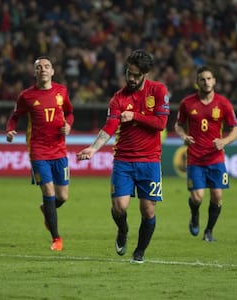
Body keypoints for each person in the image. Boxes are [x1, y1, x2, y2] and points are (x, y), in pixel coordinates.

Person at [77, 49, 170, 263]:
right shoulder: (118, 98)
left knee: (148, 210)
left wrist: (135, 116)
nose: (132, 78)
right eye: (129, 73)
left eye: (137, 75)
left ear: (145, 74)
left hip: (150, 161)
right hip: (123, 160)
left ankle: (139, 252)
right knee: (119, 207)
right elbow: (109, 127)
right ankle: (122, 230)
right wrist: (93, 148)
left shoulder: (158, 91)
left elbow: (161, 123)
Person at [6, 56, 74, 251]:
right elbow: (15, 116)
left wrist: (68, 125)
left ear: (52, 71)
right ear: (35, 72)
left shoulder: (62, 91)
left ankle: (46, 209)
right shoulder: (26, 96)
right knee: (49, 191)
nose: (43, 69)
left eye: (46, 66)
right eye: (39, 67)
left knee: (62, 196)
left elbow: (69, 112)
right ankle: (57, 239)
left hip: (59, 151)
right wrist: (10, 129)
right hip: (38, 151)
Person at [174, 65, 237, 242]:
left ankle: (209, 231)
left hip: (216, 158)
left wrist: (224, 141)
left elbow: (235, 130)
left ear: (214, 81)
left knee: (217, 196)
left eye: (209, 78)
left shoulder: (223, 103)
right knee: (197, 197)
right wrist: (183, 136)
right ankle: (194, 214)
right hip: (195, 157)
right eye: (202, 79)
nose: (206, 82)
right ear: (197, 82)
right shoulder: (187, 103)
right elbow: (178, 125)